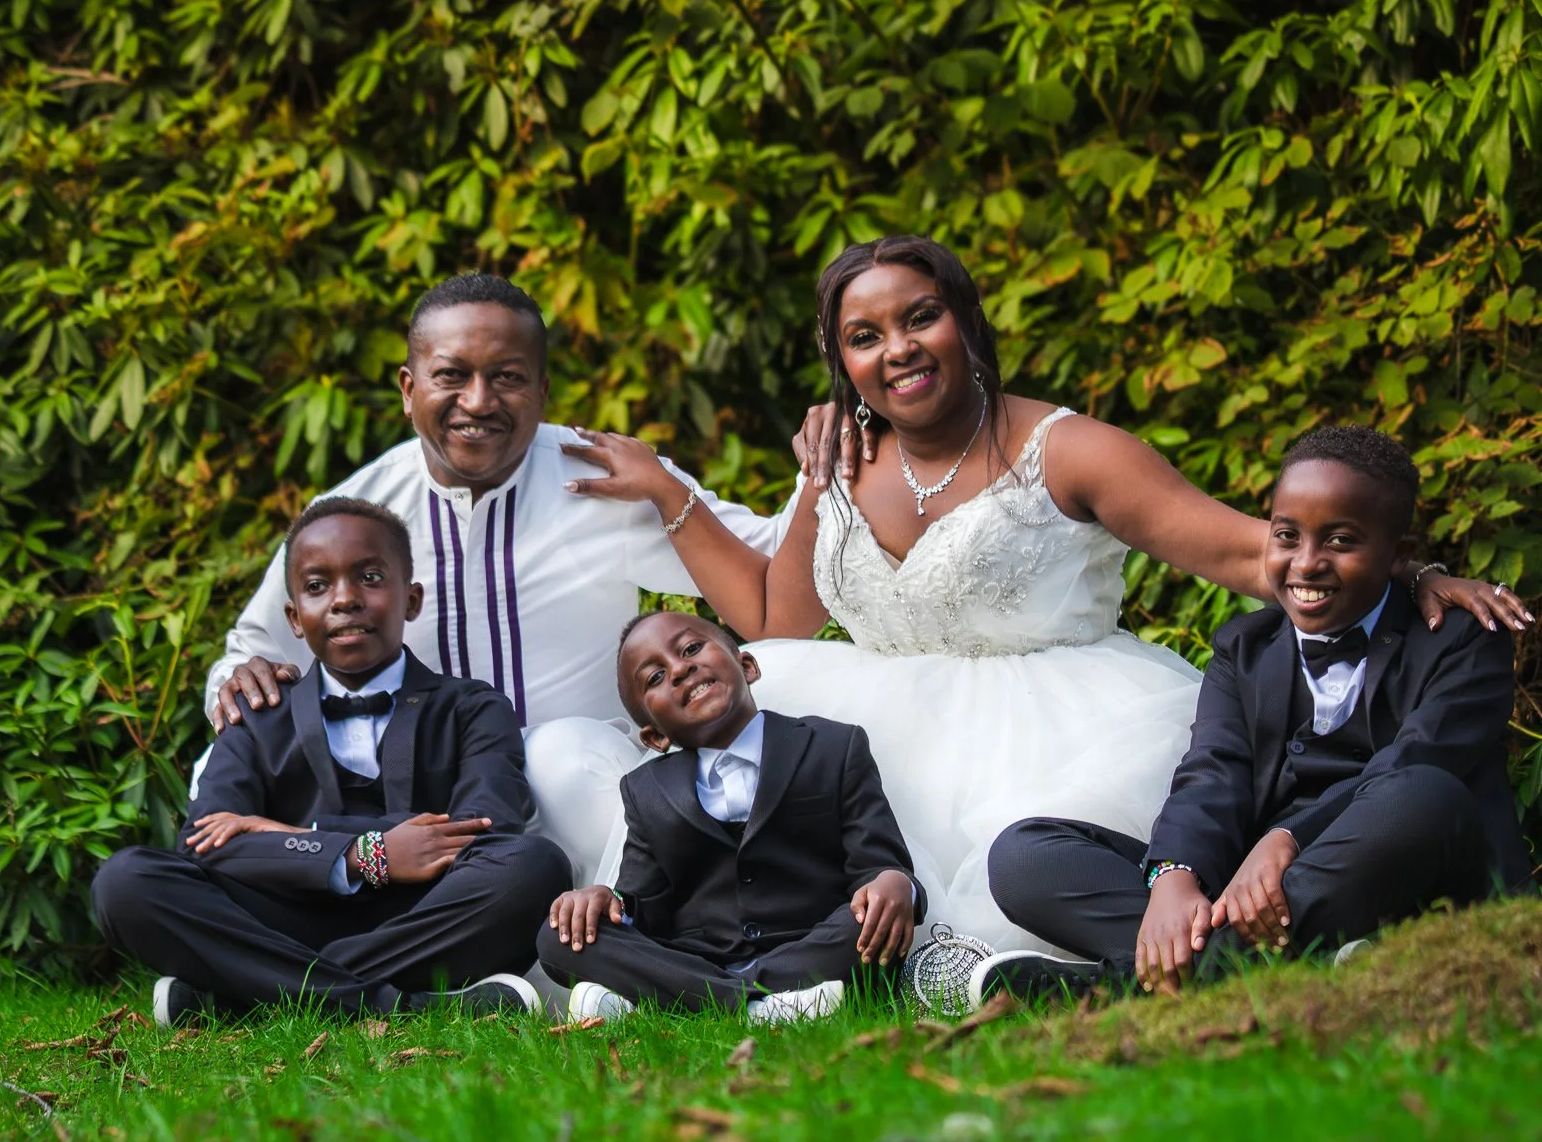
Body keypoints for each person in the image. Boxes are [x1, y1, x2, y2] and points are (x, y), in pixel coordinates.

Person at [571, 235, 1532, 950]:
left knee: (1016, 863)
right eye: (864, 337)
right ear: (844, 363)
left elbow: (1255, 556)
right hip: (880, 723)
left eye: (919, 317)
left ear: (965, 321)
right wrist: (669, 491)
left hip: (1053, 723)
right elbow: (777, 621)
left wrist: (1415, 572)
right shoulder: (837, 459)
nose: (897, 348)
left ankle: (1165, 961)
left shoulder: (1064, 449)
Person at [202, 272, 792, 880]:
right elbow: (254, 651)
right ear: (409, 388)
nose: (479, 401)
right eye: (452, 375)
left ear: (540, 390)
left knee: (553, 754)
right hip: (411, 809)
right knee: (213, 769)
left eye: (506, 377)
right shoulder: (356, 514)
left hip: (582, 788)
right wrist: (238, 677)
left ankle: (617, 937)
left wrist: (822, 464)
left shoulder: (608, 479)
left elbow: (770, 570)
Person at [976, 426, 1533, 1002]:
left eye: (1340, 542)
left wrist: (1288, 837)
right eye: (1287, 535)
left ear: (1396, 553)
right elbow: (1212, 771)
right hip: (1263, 894)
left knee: (1422, 793)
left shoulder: (1464, 638)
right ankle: (1277, 957)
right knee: (1024, 857)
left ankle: (1120, 985)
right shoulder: (1245, 647)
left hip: (1402, 865)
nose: (1307, 563)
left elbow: (1416, 756)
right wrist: (1174, 877)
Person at [94, 499, 570, 1024]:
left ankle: (248, 996)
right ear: (295, 619)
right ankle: (403, 1007)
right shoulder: (256, 716)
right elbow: (206, 848)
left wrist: (276, 833)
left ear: (410, 600)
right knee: (125, 881)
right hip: (277, 916)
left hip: (422, 917)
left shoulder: (473, 708)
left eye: (369, 577)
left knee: (532, 867)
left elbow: (483, 831)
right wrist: (363, 854)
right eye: (318, 587)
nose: (345, 600)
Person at [536, 611, 920, 1021]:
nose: (680, 669)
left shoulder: (834, 746)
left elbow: (878, 865)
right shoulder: (646, 790)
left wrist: (897, 884)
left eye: (691, 648)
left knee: (866, 922)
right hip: (697, 958)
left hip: (813, 941)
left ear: (746, 665)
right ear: (655, 736)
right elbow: (643, 908)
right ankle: (764, 1006)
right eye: (655, 678)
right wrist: (606, 901)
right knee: (558, 937)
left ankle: (686, 1002)